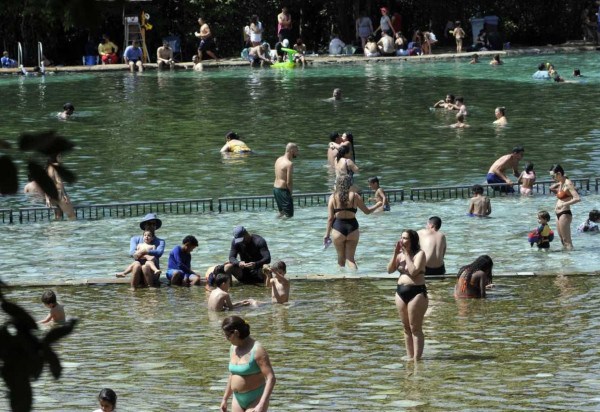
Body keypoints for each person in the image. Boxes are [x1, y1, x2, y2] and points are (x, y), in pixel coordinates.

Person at [324, 175, 381, 269]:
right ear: (350, 184)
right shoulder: (355, 196)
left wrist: (326, 234)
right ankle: (355, 280)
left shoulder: (333, 197)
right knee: (350, 259)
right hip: (353, 229)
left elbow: (330, 218)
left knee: (340, 259)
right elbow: (367, 211)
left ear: (338, 184)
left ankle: (340, 282)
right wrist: (377, 205)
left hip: (338, 229)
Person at [387, 229, 427, 361]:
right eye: (401, 238)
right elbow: (390, 270)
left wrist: (406, 254)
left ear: (412, 240)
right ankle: (410, 358)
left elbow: (414, 271)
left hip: (417, 292)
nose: (402, 240)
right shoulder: (399, 255)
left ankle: (417, 359)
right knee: (406, 328)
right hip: (400, 292)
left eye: (405, 238)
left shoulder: (420, 254)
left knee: (415, 328)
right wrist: (395, 253)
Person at [220, 316, 276, 412]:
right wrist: (225, 399)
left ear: (236, 333)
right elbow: (233, 374)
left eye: (228, 335)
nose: (226, 339)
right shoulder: (233, 348)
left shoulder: (257, 350)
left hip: (256, 398)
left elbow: (271, 378)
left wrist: (261, 404)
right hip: (237, 398)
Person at [129, 213, 165, 288]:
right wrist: (145, 254)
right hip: (138, 270)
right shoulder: (135, 239)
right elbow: (131, 252)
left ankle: (151, 290)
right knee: (136, 265)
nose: (151, 226)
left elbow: (159, 252)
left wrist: (144, 251)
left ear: (155, 226)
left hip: (152, 272)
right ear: (144, 225)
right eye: (149, 223)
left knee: (145, 267)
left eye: (153, 224)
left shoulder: (160, 241)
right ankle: (132, 290)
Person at [549, 164, 581, 250]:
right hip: (558, 214)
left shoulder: (568, 183)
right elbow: (552, 187)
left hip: (565, 213)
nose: (552, 178)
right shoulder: (561, 182)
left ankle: (570, 260)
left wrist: (564, 204)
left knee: (567, 241)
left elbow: (577, 198)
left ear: (559, 173)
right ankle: (565, 260)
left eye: (553, 176)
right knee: (562, 240)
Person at [45, 153, 76, 220]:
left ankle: (56, 230)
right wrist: (65, 195)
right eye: (59, 156)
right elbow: (60, 182)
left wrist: (47, 198)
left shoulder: (49, 167)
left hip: (51, 196)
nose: (61, 158)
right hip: (59, 194)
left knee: (58, 217)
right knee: (72, 217)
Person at [273, 142, 299, 218]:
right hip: (283, 190)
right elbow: (289, 182)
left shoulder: (278, 159)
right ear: (292, 151)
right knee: (289, 215)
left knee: (282, 213)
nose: (298, 153)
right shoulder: (289, 164)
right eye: (297, 151)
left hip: (275, 189)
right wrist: (290, 194)